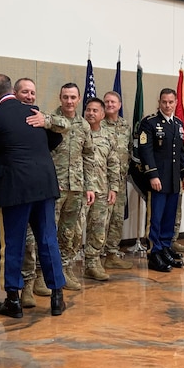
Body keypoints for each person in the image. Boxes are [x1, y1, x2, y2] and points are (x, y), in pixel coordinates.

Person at [0, 74, 67, 318]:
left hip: (15, 187)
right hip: (44, 185)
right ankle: (57, 297)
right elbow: (55, 139)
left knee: (13, 243)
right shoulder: (35, 113)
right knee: (48, 239)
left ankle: (13, 300)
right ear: (12, 90)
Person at [137, 88, 184, 272]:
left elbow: (181, 153)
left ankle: (166, 248)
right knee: (156, 218)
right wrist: (152, 175)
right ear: (159, 102)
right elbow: (146, 151)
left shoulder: (178, 123)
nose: (167, 105)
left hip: (173, 180)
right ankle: (155, 253)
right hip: (158, 180)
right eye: (164, 102)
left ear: (176, 102)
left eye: (171, 102)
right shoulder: (150, 123)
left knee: (169, 217)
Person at [51, 83, 94, 290]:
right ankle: (45, 273)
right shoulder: (49, 122)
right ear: (60, 98)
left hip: (76, 187)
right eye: (65, 97)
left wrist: (90, 187)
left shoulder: (84, 125)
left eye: (73, 97)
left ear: (78, 100)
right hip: (54, 187)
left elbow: (88, 156)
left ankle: (65, 269)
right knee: (48, 231)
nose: (69, 101)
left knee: (69, 233)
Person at [83, 98, 121, 280]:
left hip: (101, 189)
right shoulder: (77, 131)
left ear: (103, 114)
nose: (91, 113)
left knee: (99, 230)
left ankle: (92, 264)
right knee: (72, 231)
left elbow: (114, 163)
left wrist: (114, 187)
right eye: (88, 110)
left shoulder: (108, 136)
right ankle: (64, 267)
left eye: (95, 110)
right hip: (80, 190)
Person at [102, 91, 134, 270]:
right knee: (101, 220)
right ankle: (96, 256)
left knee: (117, 219)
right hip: (103, 181)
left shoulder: (125, 125)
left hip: (120, 181)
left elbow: (129, 150)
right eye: (106, 101)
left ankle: (112, 254)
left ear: (119, 104)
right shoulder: (98, 124)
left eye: (113, 102)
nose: (109, 104)